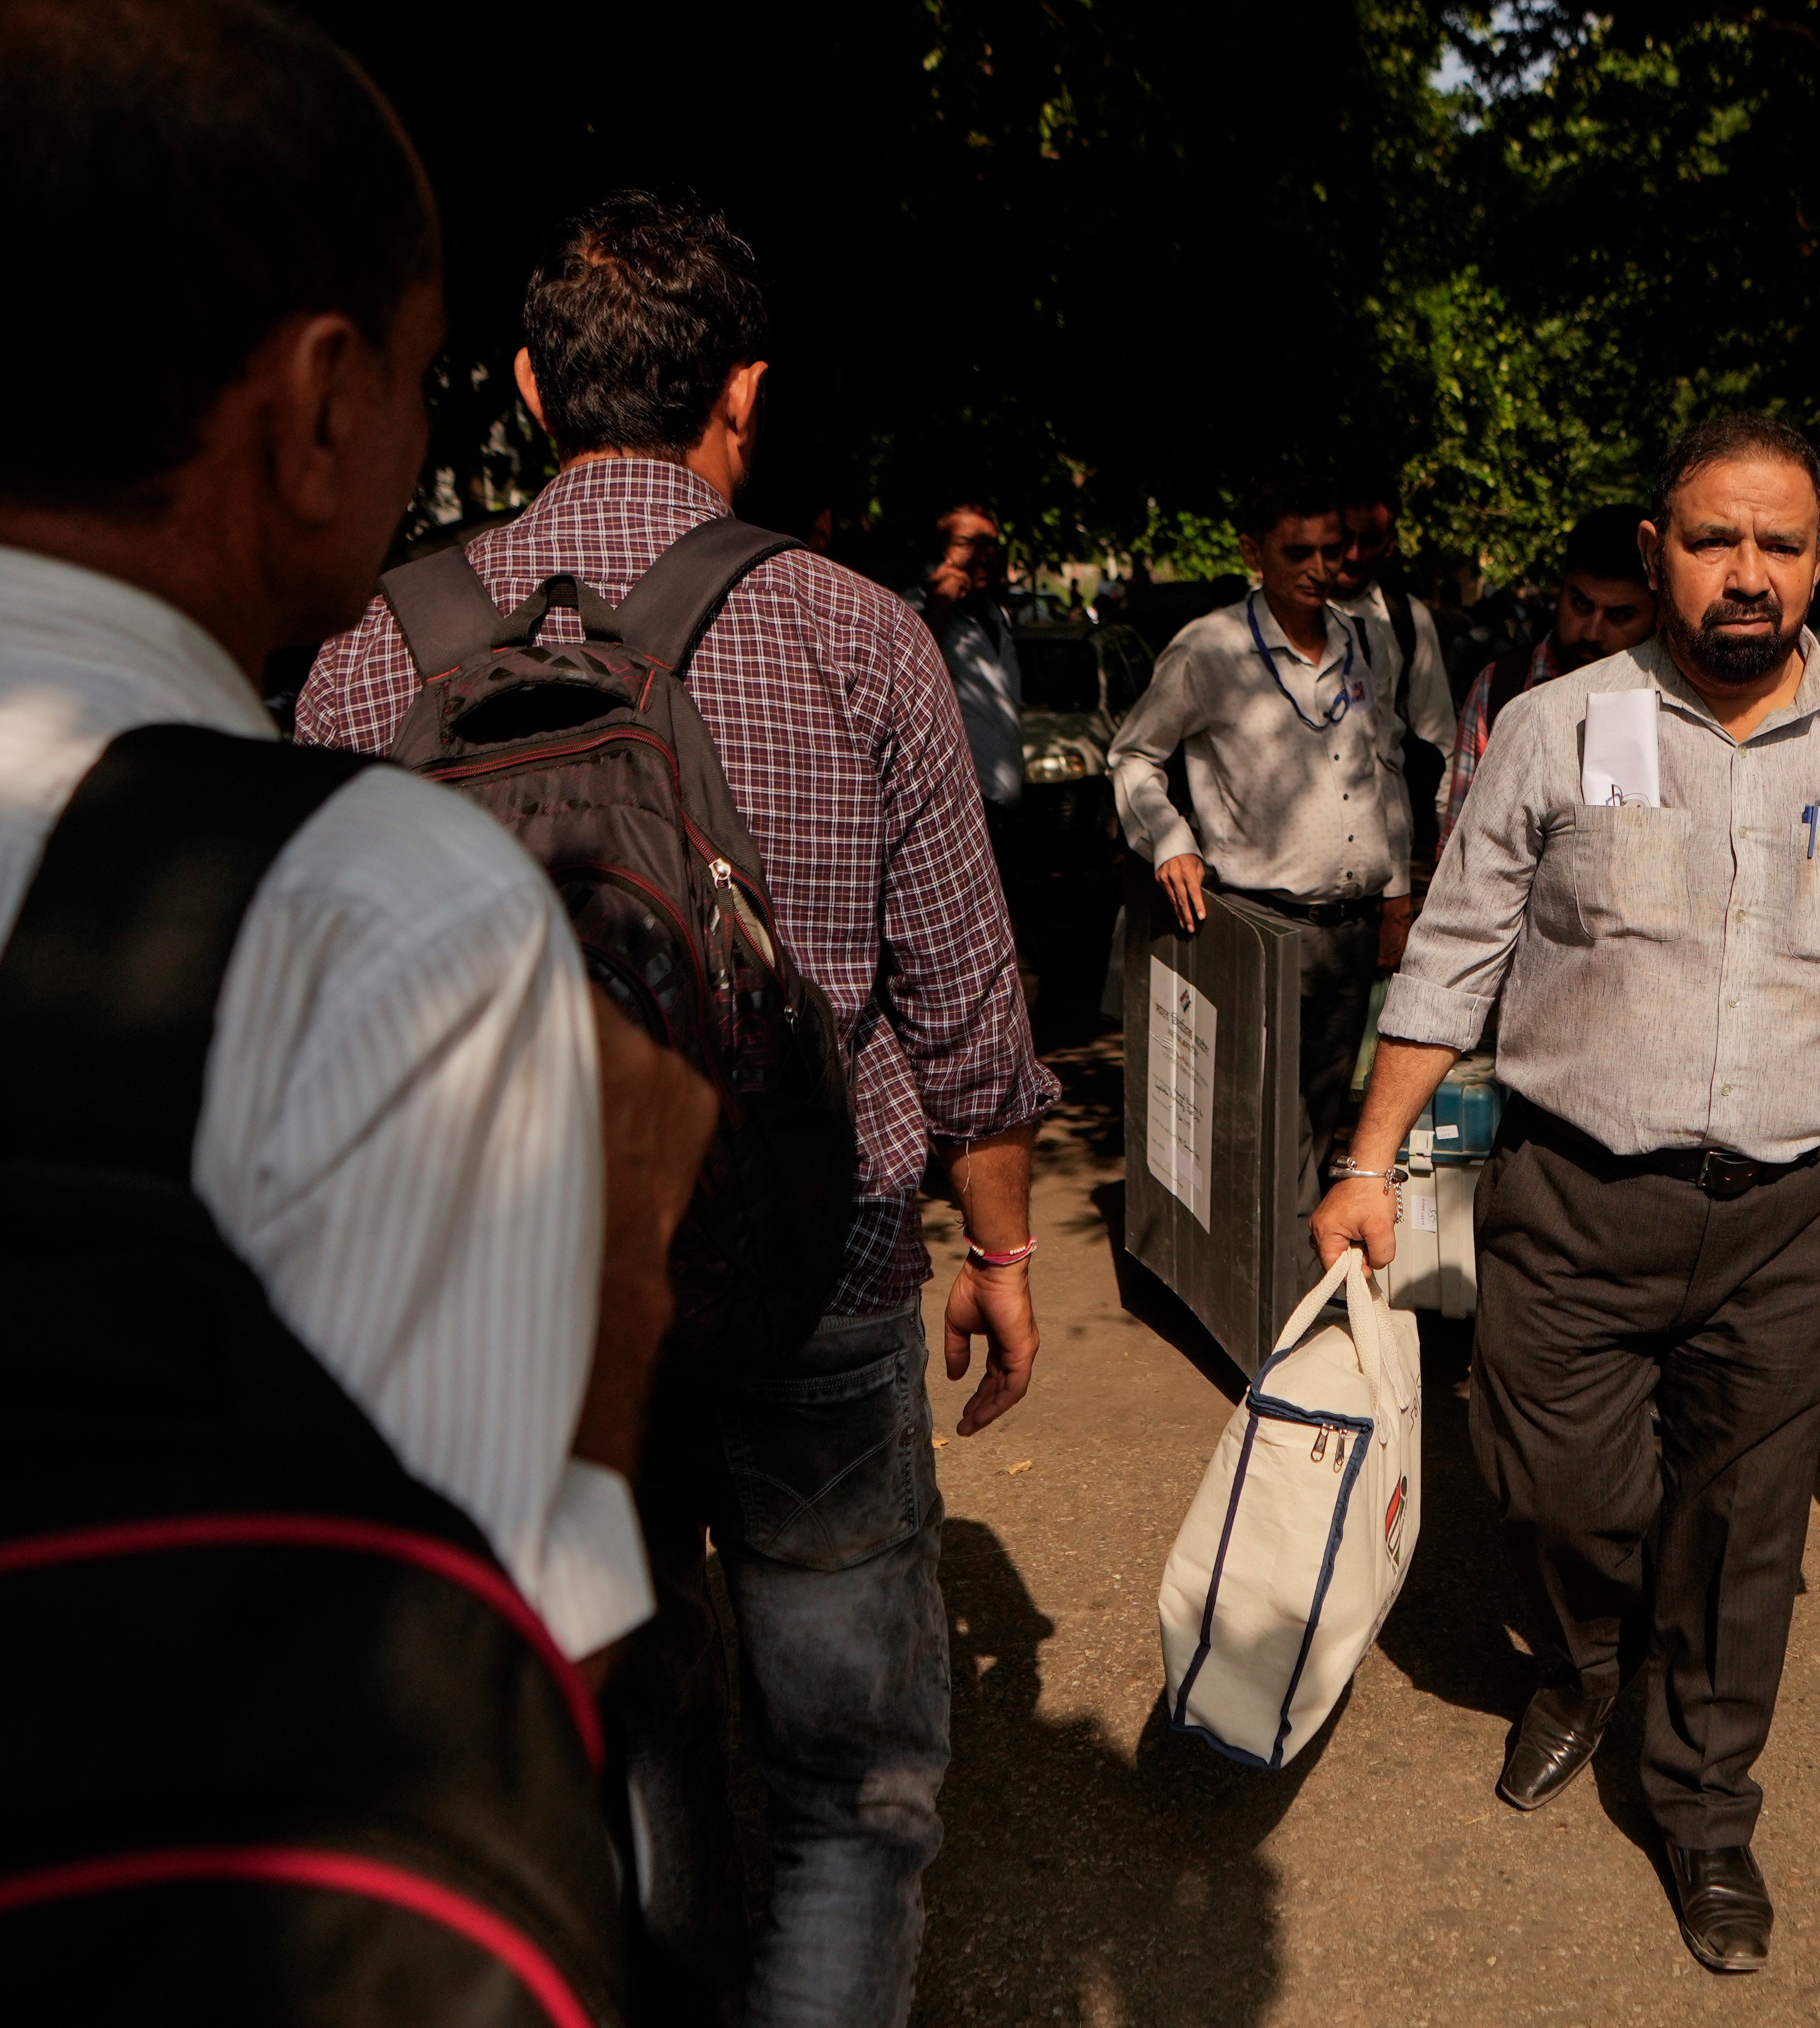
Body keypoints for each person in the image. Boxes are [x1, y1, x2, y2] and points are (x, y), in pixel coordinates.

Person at [302, 190, 1060, 2028]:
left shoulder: (368, 655)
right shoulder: (858, 634)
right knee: (853, 1786)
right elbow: (962, 1012)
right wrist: (1004, 1245)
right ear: (744, 394)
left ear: (530, 391)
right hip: (822, 1267)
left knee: (623, 1715)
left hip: (528, 1304)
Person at [0, 0, 666, 1680]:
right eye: (417, 376)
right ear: (314, 407)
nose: (425, 440)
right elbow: (480, 1680)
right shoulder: (387, 917)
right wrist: (610, 1298)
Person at [1312, 414, 1820, 1974]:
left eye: (1778, 544)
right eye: (1711, 541)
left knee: (1748, 1528)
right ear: (1655, 554)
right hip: (1572, 1197)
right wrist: (1367, 1166)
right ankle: (1592, 1654)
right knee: (1551, 1484)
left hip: (1790, 1214)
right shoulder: (1557, 727)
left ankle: (1704, 1803)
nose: (1745, 573)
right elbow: (1455, 958)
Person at [1109, 479, 1448, 1259]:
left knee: (1324, 1118)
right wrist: (1169, 838)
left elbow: (1384, 769)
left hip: (1351, 928)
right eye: (1298, 552)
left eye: (1332, 551)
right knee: (1256, 1120)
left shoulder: (1365, 640)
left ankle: (1294, 1275)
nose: (1320, 569)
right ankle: (1263, 1289)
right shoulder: (1209, 648)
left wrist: (1397, 896)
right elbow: (1133, 756)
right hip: (1258, 927)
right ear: (1252, 554)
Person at [1434, 503, 1657, 858]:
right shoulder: (1501, 688)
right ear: (1561, 591)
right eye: (1581, 605)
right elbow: (1460, 847)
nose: (1592, 632)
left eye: (1620, 616)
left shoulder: (1673, 702)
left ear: (1658, 614)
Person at [1335, 480, 1462, 908]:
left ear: (1389, 545)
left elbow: (1438, 743)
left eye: (1368, 541)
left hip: (1387, 864)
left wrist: (1441, 862)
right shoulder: (1273, 621)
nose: (1352, 555)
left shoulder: (1405, 620)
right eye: (1343, 537)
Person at [909, 500, 1028, 898]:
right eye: (968, 543)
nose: (984, 555)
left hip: (1004, 817)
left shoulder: (996, 616)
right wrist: (941, 603)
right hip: (954, 819)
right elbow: (905, 675)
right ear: (941, 550)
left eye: (991, 544)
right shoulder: (910, 610)